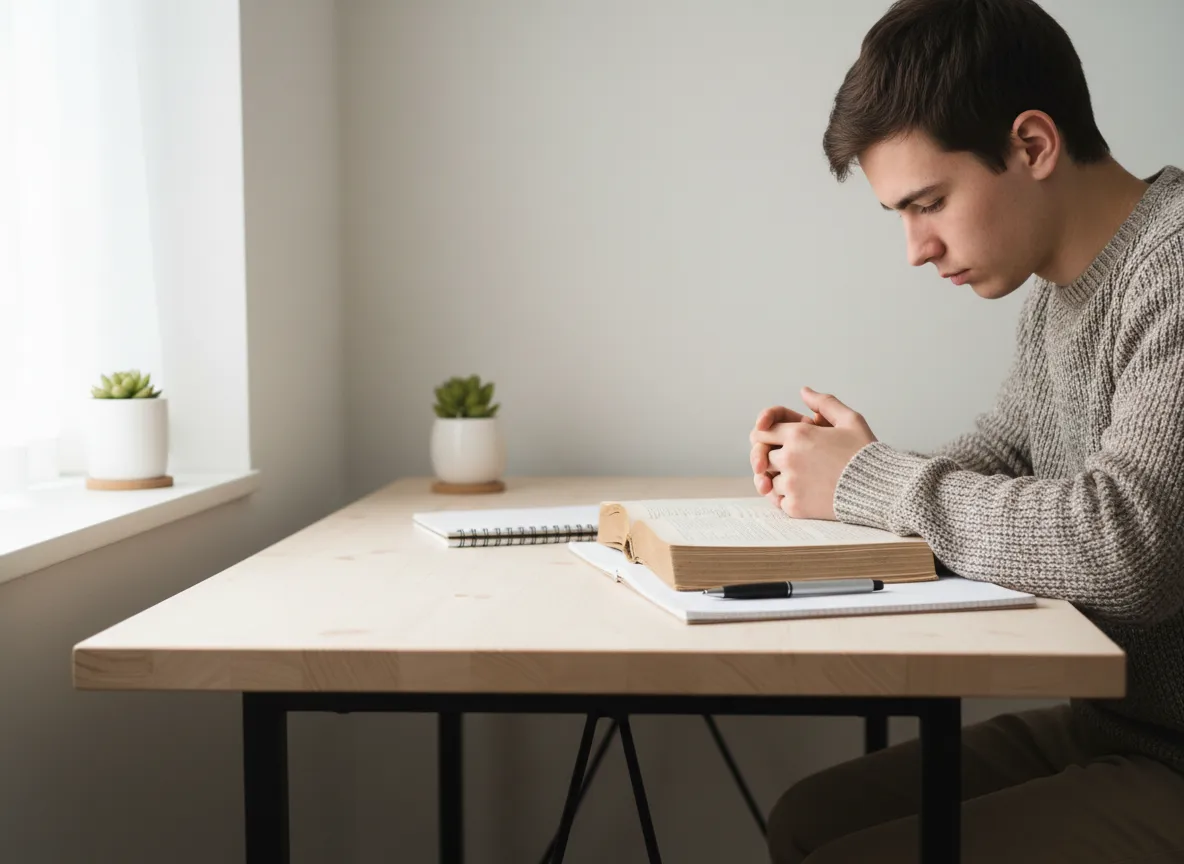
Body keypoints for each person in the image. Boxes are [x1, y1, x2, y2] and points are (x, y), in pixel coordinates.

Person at [747, 0, 1184, 861]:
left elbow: (1128, 548)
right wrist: (838, 469)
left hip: (1170, 757)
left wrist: (871, 481)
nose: (915, 248)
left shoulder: (1173, 269)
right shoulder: (1059, 295)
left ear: (1031, 145)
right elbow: (998, 460)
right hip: (1119, 728)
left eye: (930, 202)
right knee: (805, 817)